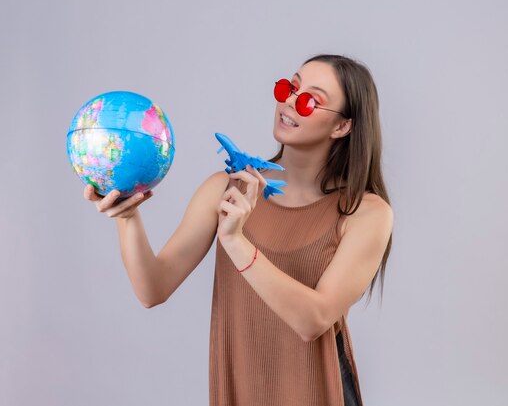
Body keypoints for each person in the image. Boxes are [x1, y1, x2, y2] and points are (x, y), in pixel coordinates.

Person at [84, 54, 394, 406]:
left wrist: (235, 241)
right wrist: (128, 218)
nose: (290, 101)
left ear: (342, 126)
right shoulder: (226, 188)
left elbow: (314, 319)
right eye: (288, 87)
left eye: (310, 100)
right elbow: (151, 289)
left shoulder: (365, 212)